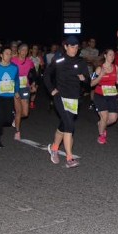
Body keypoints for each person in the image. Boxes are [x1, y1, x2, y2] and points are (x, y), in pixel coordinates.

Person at [44, 35, 88, 167]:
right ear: (66, 46)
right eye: (72, 46)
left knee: (64, 125)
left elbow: (88, 80)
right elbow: (46, 75)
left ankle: (54, 148)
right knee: (70, 125)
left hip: (74, 98)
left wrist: (83, 79)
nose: (74, 49)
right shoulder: (58, 60)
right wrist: (52, 90)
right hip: (60, 97)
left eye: (76, 47)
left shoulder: (81, 62)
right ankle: (69, 158)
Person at [0, 45, 19, 150]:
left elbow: (16, 80)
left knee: (8, 119)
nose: (9, 55)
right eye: (6, 53)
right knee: (1, 117)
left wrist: (16, 91)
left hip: (9, 96)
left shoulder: (14, 67)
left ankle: (0, 119)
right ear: (1, 55)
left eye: (10, 54)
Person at [90, 50, 118, 144]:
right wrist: (100, 76)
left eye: (113, 55)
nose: (112, 57)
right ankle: (101, 135)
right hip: (100, 95)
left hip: (111, 95)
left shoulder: (115, 67)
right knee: (104, 116)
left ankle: (101, 125)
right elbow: (92, 83)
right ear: (105, 55)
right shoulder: (99, 69)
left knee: (113, 118)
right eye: (110, 55)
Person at [12, 43, 37, 141]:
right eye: (22, 50)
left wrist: (33, 84)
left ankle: (15, 119)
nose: (24, 52)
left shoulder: (29, 61)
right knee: (18, 111)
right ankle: (17, 132)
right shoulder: (13, 61)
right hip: (15, 87)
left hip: (25, 88)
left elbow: (34, 74)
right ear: (18, 51)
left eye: (26, 50)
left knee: (25, 113)